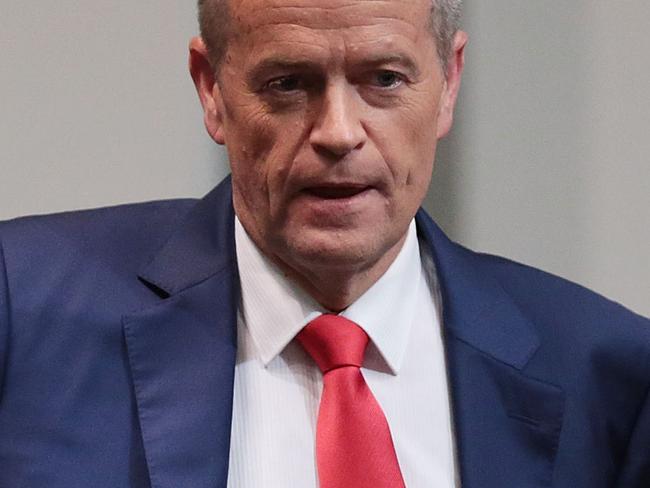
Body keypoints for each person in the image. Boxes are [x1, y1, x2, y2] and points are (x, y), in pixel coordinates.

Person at [0, 0, 648, 486]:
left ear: (449, 83)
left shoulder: (607, 375)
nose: (338, 133)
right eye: (288, 83)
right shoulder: (24, 315)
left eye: (386, 79)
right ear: (211, 90)